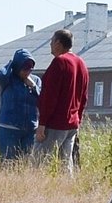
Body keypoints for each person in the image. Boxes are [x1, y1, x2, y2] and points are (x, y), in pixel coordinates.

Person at [34, 28, 89, 173]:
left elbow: (49, 96)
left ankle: (37, 191)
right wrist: (78, 120)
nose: (50, 45)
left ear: (58, 43)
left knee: (40, 162)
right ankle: (67, 189)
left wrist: (42, 123)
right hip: (72, 123)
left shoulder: (60, 62)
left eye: (52, 41)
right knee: (66, 164)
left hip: (55, 123)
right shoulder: (81, 63)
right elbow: (83, 97)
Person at [0, 48, 40, 166]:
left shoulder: (36, 80)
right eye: (24, 69)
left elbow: (42, 99)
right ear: (17, 66)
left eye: (30, 69)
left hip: (30, 130)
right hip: (9, 129)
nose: (27, 72)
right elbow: (0, 74)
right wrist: (11, 64)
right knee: (8, 164)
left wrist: (33, 86)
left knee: (25, 164)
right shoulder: (8, 79)